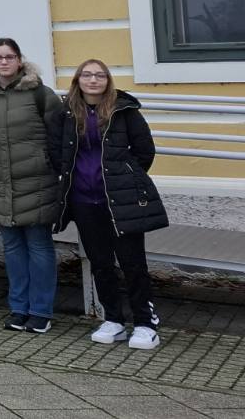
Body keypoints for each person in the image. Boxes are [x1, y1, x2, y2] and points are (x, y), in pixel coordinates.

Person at [51, 59, 168, 350]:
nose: (93, 80)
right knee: (100, 263)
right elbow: (55, 152)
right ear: (78, 80)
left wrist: (124, 178)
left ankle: (145, 323)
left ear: (107, 80)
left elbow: (144, 151)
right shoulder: (65, 113)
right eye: (87, 75)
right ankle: (113, 319)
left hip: (120, 201)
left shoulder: (125, 111)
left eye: (100, 75)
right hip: (83, 200)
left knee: (133, 263)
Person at [0, 37, 64, 333]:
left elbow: (57, 136)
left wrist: (48, 166)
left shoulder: (41, 94)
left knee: (39, 246)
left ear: (19, 60)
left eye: (9, 56)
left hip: (36, 183)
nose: (4, 62)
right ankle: (18, 308)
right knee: (12, 248)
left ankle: (41, 311)